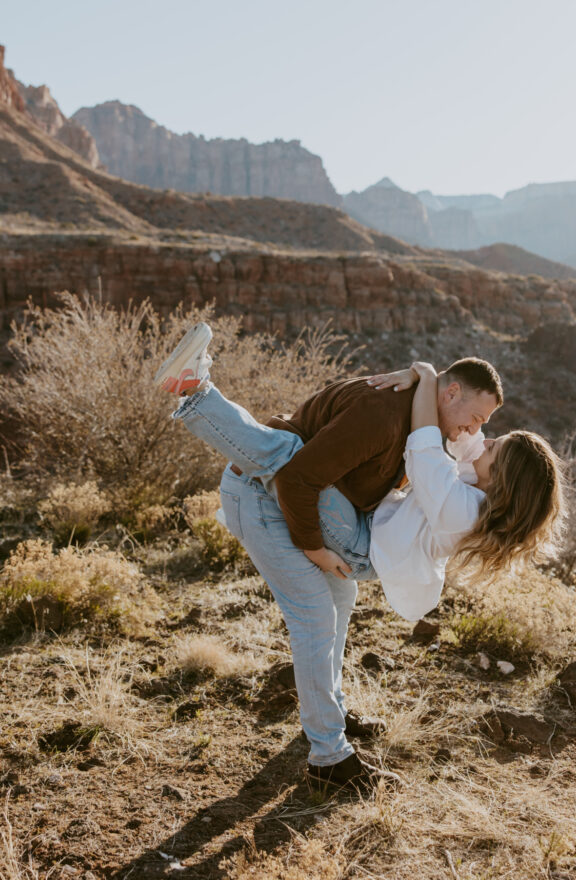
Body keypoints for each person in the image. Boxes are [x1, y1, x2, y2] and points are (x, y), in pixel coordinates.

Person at [155, 323, 506, 793]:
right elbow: (298, 478)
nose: (476, 431)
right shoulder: (383, 413)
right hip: (264, 497)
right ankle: (328, 757)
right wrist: (314, 548)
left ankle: (330, 712)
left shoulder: (428, 416)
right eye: (478, 418)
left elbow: (471, 453)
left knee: (341, 597)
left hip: (301, 498)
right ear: (454, 392)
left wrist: (422, 373)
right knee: (314, 615)